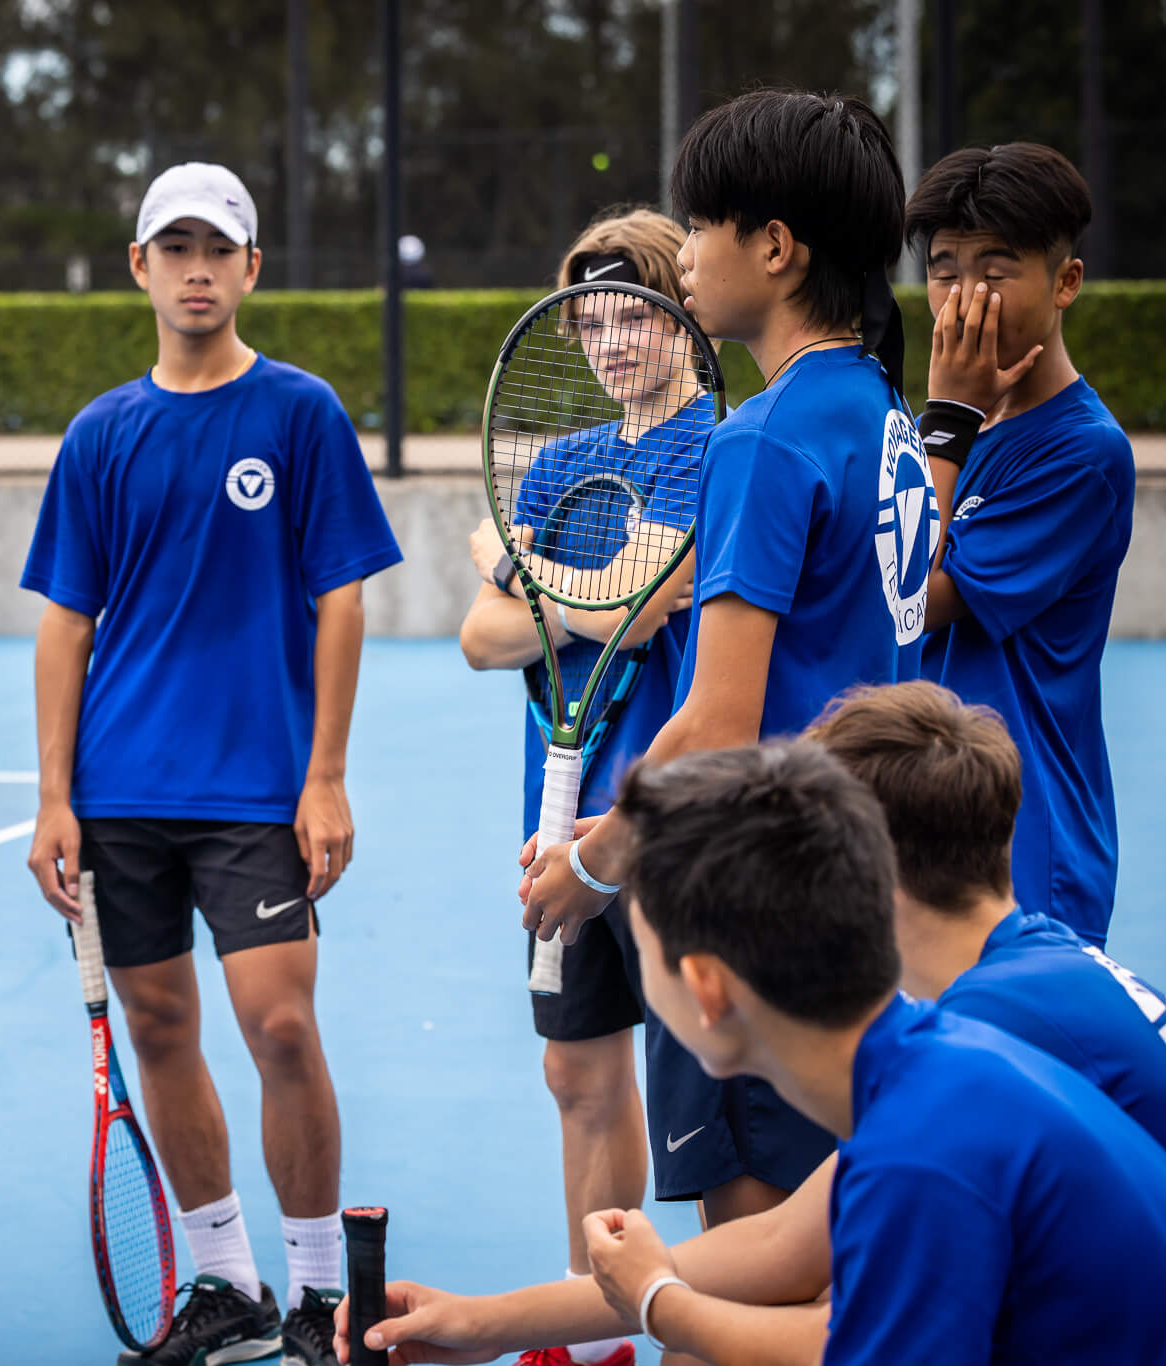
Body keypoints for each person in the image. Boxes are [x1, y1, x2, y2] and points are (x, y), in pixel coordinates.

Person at [337, 681, 1166, 1363]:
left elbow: (840, 1341)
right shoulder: (943, 1063)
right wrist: (485, 1321)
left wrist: (661, 1307)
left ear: (706, 992)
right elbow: (788, 1248)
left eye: (643, 955)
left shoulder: (944, 1108)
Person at [520, 90, 939, 1243]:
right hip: (868, 882)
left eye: (703, 224)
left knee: (748, 1261)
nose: (685, 250)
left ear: (772, 246)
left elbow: (714, 725)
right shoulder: (880, 411)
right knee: (848, 1256)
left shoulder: (760, 436)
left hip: (764, 896)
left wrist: (589, 865)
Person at [21, 161, 402, 1366]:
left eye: (216, 247)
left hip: (252, 793)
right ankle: (225, 1286)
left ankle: (316, 1296)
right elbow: (65, 624)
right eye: (171, 246)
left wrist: (324, 773)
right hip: (117, 792)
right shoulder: (99, 434)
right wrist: (51, 799)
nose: (195, 267)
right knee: (159, 1023)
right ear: (139, 266)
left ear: (249, 267)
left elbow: (339, 600)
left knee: (279, 1024)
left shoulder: (299, 414)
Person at [457, 206, 706, 1366]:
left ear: (678, 316)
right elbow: (475, 634)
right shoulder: (556, 460)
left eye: (628, 316)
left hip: (666, 827)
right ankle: (591, 1322)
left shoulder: (711, 444)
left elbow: (638, 604)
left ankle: (710, 1323)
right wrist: (582, 590)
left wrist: (530, 575)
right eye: (589, 320)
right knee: (576, 1074)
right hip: (551, 825)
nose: (607, 341)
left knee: (706, 1093)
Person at [907, 143, 1134, 945]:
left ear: (1065, 281)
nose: (965, 296)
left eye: (996, 269)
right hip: (924, 821)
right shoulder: (947, 431)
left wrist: (944, 426)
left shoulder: (1081, 453)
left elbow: (912, 603)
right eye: (943, 269)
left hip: (1025, 847)